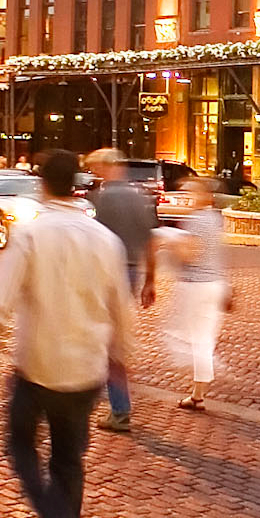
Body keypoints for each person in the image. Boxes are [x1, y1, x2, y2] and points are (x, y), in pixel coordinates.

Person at [0, 148, 132, 518]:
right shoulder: (106, 241)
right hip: (86, 370)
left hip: (37, 365)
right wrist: (122, 359)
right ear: (78, 185)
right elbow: (121, 310)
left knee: (19, 444)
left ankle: (55, 516)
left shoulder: (31, 236)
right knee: (69, 459)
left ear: (43, 184)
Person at [85, 148, 157, 434]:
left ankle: (117, 406)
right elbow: (150, 240)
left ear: (107, 167)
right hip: (131, 270)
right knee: (111, 337)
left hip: (106, 272)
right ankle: (113, 396)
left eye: (96, 168)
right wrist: (151, 279)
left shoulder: (102, 199)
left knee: (104, 340)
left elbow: (91, 242)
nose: (94, 174)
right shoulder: (140, 197)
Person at [167, 177, 230, 412]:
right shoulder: (215, 219)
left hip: (195, 285)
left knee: (194, 338)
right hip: (215, 283)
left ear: (203, 196)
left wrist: (172, 244)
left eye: (190, 194)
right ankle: (198, 393)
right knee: (204, 337)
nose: (186, 199)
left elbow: (189, 255)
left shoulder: (195, 221)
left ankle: (203, 383)